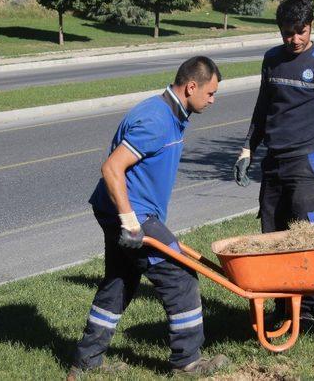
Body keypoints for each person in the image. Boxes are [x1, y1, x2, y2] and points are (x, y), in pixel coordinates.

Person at [68, 56, 228, 380]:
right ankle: (187, 362)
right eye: (210, 93)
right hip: (133, 215)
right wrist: (130, 222)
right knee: (182, 278)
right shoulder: (156, 120)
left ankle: (85, 364)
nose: (213, 100)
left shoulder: (169, 113)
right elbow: (112, 168)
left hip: (122, 210)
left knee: (119, 282)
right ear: (191, 86)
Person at [233, 0, 314, 326]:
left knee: (308, 234)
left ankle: (311, 308)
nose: (295, 39)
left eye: (301, 32)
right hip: (273, 162)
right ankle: (282, 306)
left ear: (311, 27)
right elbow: (262, 109)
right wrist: (248, 149)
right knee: (272, 235)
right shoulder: (272, 59)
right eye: (288, 33)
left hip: (307, 162)